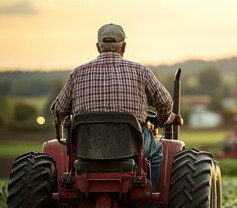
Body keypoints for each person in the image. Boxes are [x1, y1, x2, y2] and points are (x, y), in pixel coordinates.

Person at [50, 23, 174, 191]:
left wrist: (60, 119)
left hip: (86, 148)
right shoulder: (140, 71)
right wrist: (162, 118)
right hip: (131, 147)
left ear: (98, 47)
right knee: (157, 151)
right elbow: (165, 102)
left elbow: (58, 110)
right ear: (123, 46)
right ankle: (150, 196)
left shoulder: (78, 74)